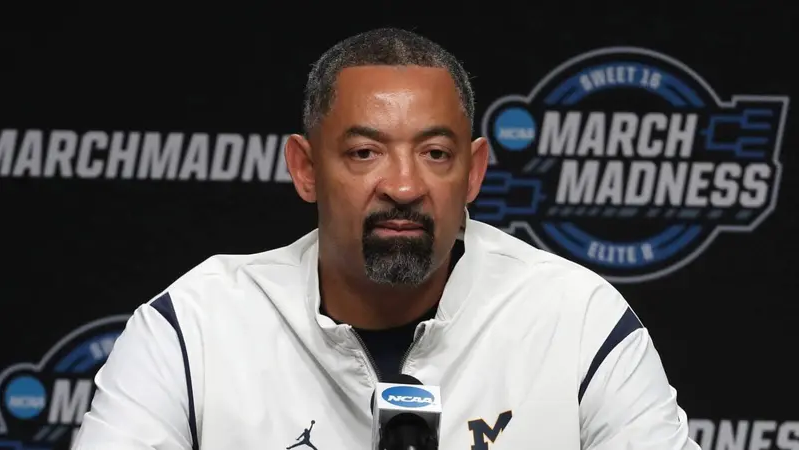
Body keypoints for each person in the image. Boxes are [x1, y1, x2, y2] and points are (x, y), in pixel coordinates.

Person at [72, 28, 699, 449]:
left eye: (435, 153)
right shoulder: (195, 327)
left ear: (474, 171)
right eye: (365, 152)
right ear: (305, 168)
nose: (403, 186)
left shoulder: (577, 321)